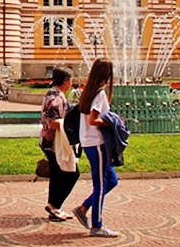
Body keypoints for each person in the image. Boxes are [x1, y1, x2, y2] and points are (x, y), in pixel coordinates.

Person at [71, 58, 120, 237]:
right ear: (106, 74)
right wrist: (109, 123)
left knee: (112, 180)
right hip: (96, 143)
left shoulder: (87, 92)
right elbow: (93, 120)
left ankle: (83, 208)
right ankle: (97, 226)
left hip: (89, 142)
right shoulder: (98, 94)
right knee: (100, 185)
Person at [39, 67, 79, 221]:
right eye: (71, 80)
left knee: (57, 174)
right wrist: (69, 125)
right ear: (65, 81)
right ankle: (55, 205)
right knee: (72, 174)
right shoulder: (56, 97)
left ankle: (54, 208)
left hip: (49, 141)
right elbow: (54, 122)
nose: (71, 84)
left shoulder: (54, 94)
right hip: (54, 142)